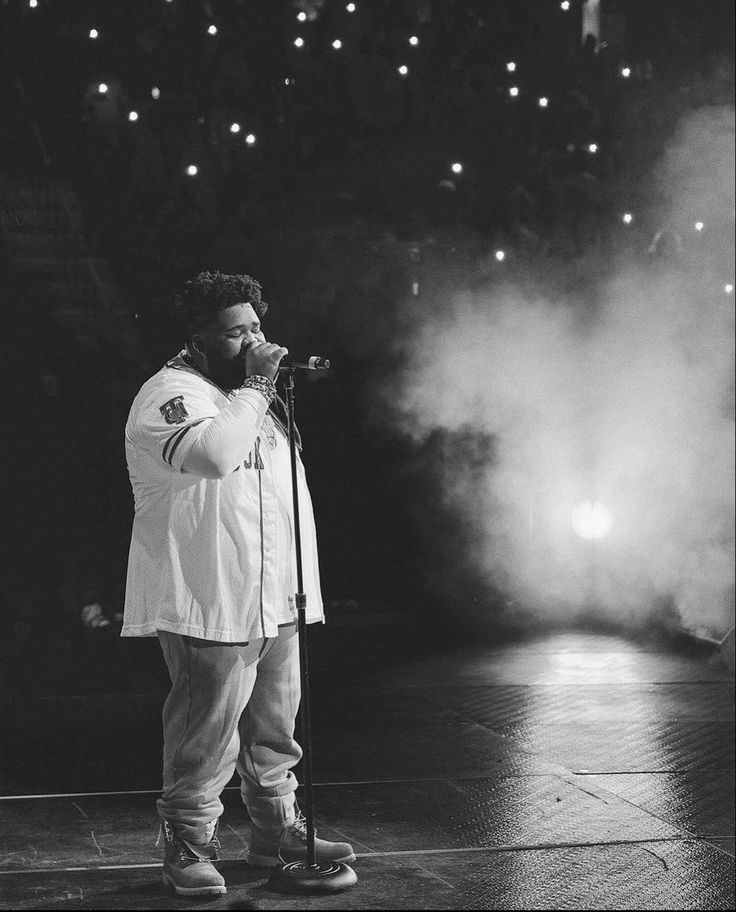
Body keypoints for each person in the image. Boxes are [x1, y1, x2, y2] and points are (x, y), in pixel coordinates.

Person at [122, 270, 354, 896]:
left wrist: (299, 587)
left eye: (256, 327)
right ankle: (189, 844)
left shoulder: (256, 401)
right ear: (196, 339)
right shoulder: (169, 395)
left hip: (273, 594)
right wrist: (257, 384)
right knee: (207, 734)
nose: (253, 342)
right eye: (235, 332)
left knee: (275, 732)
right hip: (210, 595)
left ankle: (275, 832)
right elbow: (216, 457)